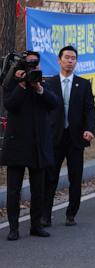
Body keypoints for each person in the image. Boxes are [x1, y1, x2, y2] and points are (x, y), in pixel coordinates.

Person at [1, 51, 58, 240]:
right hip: (16, 144)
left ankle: (36, 225)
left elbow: (53, 103)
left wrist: (38, 88)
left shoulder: (43, 83)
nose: (34, 70)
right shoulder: (12, 83)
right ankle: (13, 228)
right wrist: (23, 85)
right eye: (30, 66)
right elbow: (9, 104)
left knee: (38, 189)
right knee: (13, 190)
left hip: (38, 145)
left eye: (36, 66)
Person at [42, 45, 95, 227]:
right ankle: (45, 214)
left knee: (75, 177)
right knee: (50, 177)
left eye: (73, 58)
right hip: (54, 137)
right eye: (67, 57)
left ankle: (71, 213)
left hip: (75, 137)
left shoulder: (84, 84)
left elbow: (90, 110)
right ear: (59, 60)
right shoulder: (49, 83)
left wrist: (90, 129)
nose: (70, 61)